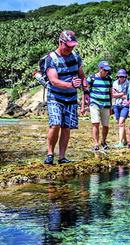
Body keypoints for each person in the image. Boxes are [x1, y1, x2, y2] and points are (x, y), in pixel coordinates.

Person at [43, 30, 85, 165]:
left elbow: (82, 76)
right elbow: (54, 80)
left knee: (66, 127)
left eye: (72, 46)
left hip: (71, 98)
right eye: (68, 46)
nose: (70, 49)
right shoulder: (51, 59)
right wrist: (70, 85)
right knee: (55, 124)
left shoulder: (76, 57)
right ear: (61, 43)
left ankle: (62, 157)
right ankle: (50, 154)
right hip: (55, 97)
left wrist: (86, 91)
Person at [86, 61, 113, 151]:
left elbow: (110, 92)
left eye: (107, 71)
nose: (106, 72)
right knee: (96, 123)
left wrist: (111, 105)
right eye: (105, 70)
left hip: (106, 104)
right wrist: (84, 104)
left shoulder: (109, 79)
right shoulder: (92, 78)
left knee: (105, 125)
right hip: (95, 103)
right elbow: (85, 90)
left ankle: (103, 141)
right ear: (100, 69)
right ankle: (96, 143)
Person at [112, 69, 129, 147]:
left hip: (125, 106)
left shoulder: (128, 84)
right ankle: (125, 140)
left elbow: (128, 96)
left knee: (121, 123)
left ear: (125, 77)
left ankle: (120, 142)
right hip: (116, 105)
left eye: (123, 77)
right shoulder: (115, 83)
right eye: (120, 76)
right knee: (120, 124)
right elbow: (113, 95)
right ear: (118, 76)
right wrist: (122, 94)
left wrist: (118, 93)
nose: (121, 78)